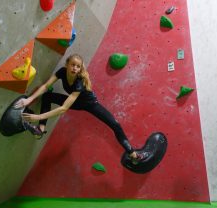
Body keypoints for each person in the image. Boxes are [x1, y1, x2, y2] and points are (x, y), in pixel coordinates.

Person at [14, 54, 148, 162]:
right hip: (74, 102)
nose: (75, 68)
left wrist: (38, 116)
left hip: (90, 104)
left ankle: (132, 154)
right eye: (72, 65)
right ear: (67, 65)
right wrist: (29, 99)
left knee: (115, 124)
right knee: (47, 96)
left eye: (78, 67)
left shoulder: (79, 82)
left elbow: (63, 109)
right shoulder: (61, 72)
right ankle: (40, 130)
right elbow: (45, 86)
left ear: (80, 69)